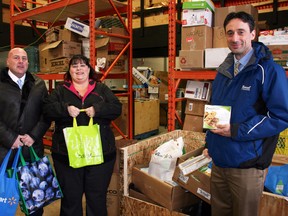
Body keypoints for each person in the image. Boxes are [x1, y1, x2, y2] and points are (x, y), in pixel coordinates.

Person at [203, 11, 288, 216]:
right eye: (230, 33)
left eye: (241, 32)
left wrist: (236, 130)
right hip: (219, 161)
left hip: (246, 165)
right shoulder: (223, 71)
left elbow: (281, 116)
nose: (235, 38)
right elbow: (215, 109)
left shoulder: (267, 70)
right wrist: (209, 144)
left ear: (252, 34)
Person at [43, 54, 122, 216]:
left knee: (97, 198)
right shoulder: (60, 91)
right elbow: (47, 110)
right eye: (74, 65)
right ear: (69, 71)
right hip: (67, 156)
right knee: (71, 199)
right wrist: (65, 108)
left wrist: (98, 109)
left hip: (100, 154)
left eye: (82, 65)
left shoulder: (101, 89)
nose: (79, 68)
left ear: (89, 69)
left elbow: (116, 108)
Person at [0, 47, 50, 216]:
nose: (20, 61)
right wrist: (10, 138)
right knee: (4, 199)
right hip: (3, 152)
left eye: (24, 58)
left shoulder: (38, 84)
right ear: (8, 61)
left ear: (28, 63)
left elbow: (46, 114)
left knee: (35, 203)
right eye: (16, 58)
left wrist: (34, 136)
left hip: (31, 151)